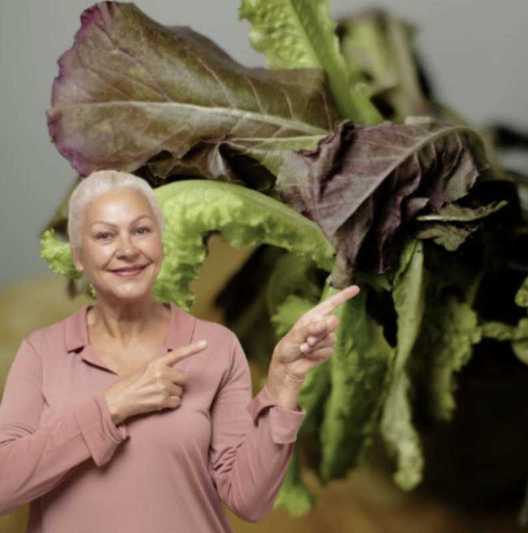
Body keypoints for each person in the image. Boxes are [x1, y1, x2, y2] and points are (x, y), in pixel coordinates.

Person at [0, 170, 359, 532]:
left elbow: (248, 499)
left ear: (162, 243)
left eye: (141, 231)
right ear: (78, 255)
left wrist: (284, 382)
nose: (127, 249)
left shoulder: (216, 347)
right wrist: (112, 407)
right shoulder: (42, 353)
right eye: (105, 235)